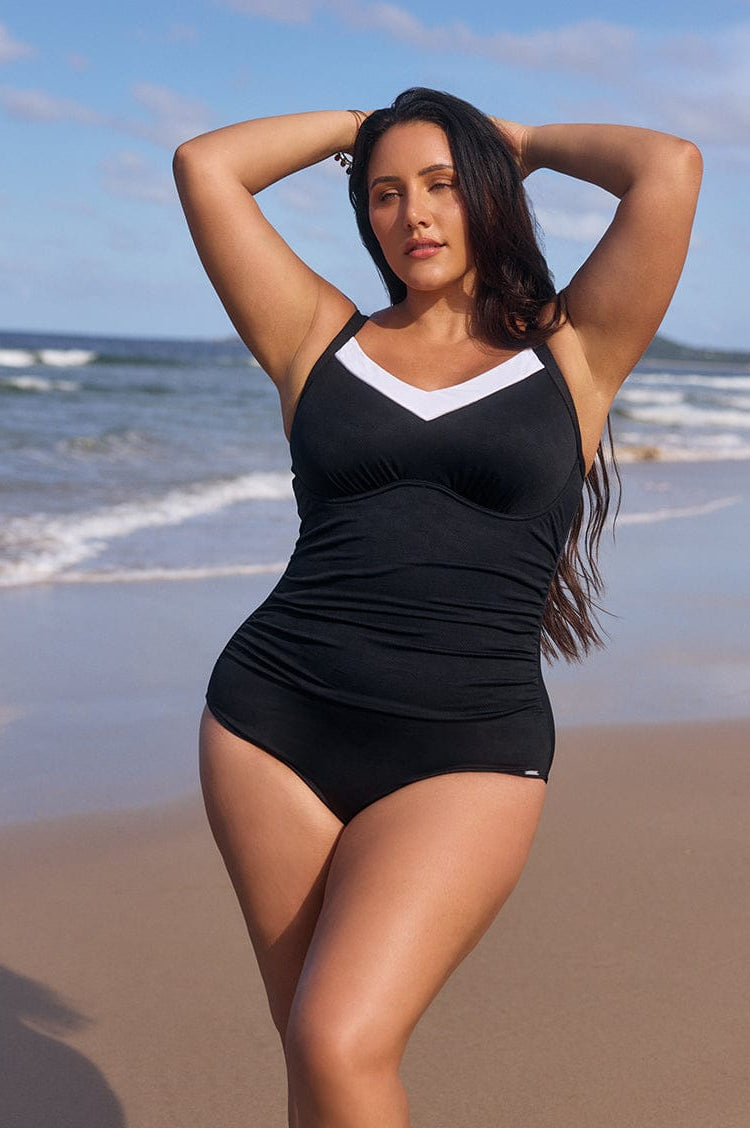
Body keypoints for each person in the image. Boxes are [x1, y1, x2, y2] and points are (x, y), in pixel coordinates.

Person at [173, 88, 702, 1127]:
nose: (410, 213)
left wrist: (517, 143)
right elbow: (205, 167)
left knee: (339, 1036)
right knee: (318, 1058)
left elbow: (668, 168)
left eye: (440, 186)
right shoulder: (315, 339)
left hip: (465, 747)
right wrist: (356, 125)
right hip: (271, 726)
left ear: (487, 196)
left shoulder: (573, 352)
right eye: (382, 194)